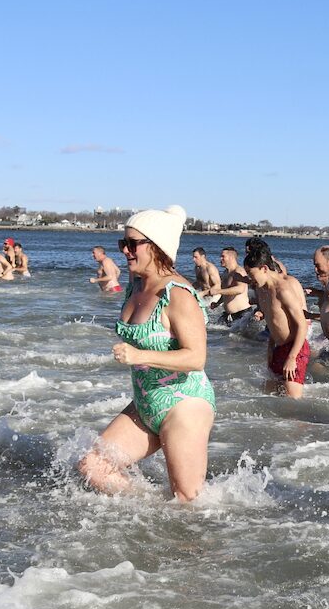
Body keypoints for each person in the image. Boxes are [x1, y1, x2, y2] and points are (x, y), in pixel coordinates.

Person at [78, 205, 215, 500]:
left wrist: (140, 356)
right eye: (122, 243)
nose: (125, 251)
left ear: (156, 246)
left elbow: (196, 357)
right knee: (93, 467)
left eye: (132, 244)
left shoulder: (177, 294)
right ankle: (150, 508)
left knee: (187, 501)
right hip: (145, 403)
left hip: (183, 405)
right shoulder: (136, 284)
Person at [244, 240, 310, 397]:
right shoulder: (262, 290)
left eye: (252, 275)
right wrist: (270, 350)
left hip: (295, 348)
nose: (250, 280)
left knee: (292, 401)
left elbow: (302, 324)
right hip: (278, 349)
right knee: (268, 396)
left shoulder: (283, 290)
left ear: (264, 268)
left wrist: (292, 357)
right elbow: (273, 322)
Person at [212, 246, 255, 325]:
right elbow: (227, 293)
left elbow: (240, 289)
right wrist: (218, 303)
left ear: (231, 258)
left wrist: (218, 291)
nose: (220, 259)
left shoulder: (239, 271)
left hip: (242, 314)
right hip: (228, 315)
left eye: (223, 256)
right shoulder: (225, 273)